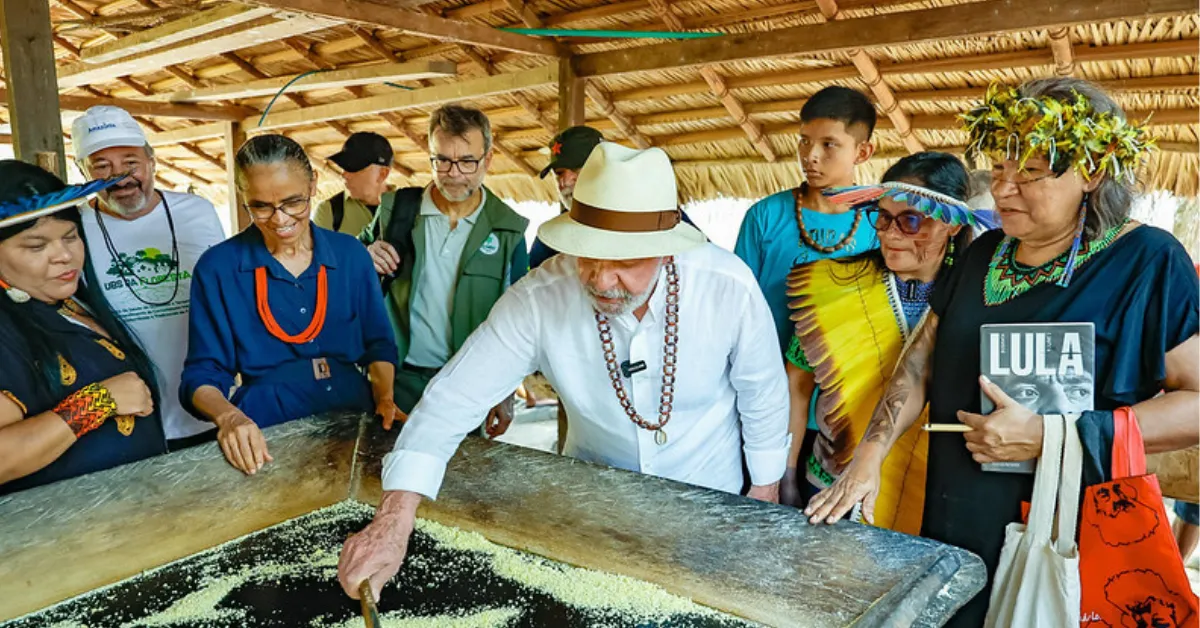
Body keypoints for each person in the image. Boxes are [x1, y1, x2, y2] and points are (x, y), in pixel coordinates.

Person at [805, 78, 1199, 626]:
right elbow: (921, 360)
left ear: (1092, 171)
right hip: (955, 521)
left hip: (1066, 535)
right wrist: (869, 455)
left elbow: (1197, 404)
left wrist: (1051, 434)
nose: (1003, 191)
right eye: (999, 169)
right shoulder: (985, 251)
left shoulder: (1147, 261)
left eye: (1032, 172)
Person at [337, 142, 790, 601]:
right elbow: (453, 397)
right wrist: (393, 518)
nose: (600, 280)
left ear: (666, 251)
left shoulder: (726, 285)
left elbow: (763, 393)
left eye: (626, 263)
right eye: (589, 256)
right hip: (594, 504)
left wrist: (765, 494)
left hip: (710, 497)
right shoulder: (540, 295)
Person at [782, 152, 992, 535]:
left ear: (951, 226)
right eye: (881, 217)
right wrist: (787, 473)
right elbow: (797, 387)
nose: (890, 233)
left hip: (931, 493)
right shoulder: (832, 286)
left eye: (911, 220)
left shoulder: (979, 298)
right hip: (831, 484)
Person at [180, 135, 400, 476]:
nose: (279, 219)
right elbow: (202, 374)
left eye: (293, 202)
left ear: (313, 184)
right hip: (267, 428)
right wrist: (229, 417)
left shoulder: (350, 255)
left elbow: (379, 345)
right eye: (261, 206)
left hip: (353, 414)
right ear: (242, 195)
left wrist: (384, 396)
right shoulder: (219, 268)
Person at [0, 160, 162, 495]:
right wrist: (99, 401)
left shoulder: (69, 303)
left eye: (70, 237)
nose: (64, 255)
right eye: (36, 246)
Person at [71, 106, 227, 451]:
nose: (121, 177)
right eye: (102, 166)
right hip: (128, 420)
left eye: (130, 162)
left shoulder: (196, 212)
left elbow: (230, 291)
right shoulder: (73, 230)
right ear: (82, 171)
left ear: (152, 161)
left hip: (213, 406)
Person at [361, 104, 529, 423]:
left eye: (467, 161)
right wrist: (365, 256)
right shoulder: (394, 212)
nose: (453, 174)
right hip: (398, 384)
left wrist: (505, 392)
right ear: (431, 157)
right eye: (443, 161)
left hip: (470, 386)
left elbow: (519, 325)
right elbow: (346, 266)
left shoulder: (509, 230)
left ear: (487, 160)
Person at [734, 85, 881, 350]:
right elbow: (735, 306)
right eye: (804, 141)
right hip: (767, 376)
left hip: (849, 378)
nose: (810, 156)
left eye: (829, 144)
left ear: (862, 152)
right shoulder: (764, 216)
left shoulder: (880, 223)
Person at [313, 132, 394, 237]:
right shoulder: (329, 211)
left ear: (382, 174)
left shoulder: (410, 210)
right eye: (344, 167)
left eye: (354, 168)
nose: (345, 175)